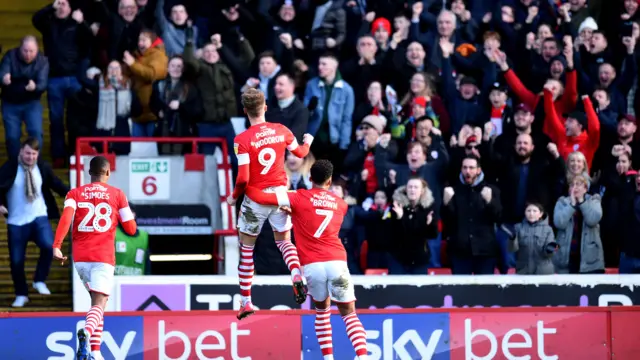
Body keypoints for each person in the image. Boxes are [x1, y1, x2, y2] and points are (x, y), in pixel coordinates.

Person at [245, 160, 368, 360]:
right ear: (329, 181)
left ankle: (328, 358)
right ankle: (363, 357)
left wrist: (246, 181)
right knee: (349, 314)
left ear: (309, 178)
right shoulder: (342, 205)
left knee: (322, 312)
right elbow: (320, 213)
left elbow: (259, 197)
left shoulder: (298, 197)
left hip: (312, 265)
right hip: (337, 261)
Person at [226, 88, 314, 319]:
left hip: (256, 198)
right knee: (284, 242)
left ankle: (246, 301)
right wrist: (308, 140)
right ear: (265, 107)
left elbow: (243, 177)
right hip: (280, 194)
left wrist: (234, 196)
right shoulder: (281, 130)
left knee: (246, 249)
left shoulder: (242, 140)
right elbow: (301, 152)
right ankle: (296, 275)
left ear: (245, 111)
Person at [51, 156, 137, 360]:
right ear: (108, 172)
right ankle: (86, 334)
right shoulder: (118, 194)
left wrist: (57, 246)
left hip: (80, 259)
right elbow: (131, 229)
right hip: (103, 257)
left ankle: (95, 352)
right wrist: (124, 216)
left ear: (89, 173)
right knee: (100, 303)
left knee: (97, 303)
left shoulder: (74, 193)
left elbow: (66, 218)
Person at [0, 137, 68, 307]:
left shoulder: (42, 167)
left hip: (39, 216)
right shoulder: (9, 168)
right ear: (21, 151)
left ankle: (39, 280)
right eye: (28, 153)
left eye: (34, 154)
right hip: (16, 221)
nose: (30, 157)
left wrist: (72, 194)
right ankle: (21, 293)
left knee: (49, 246)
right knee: (16, 261)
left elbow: (56, 184)